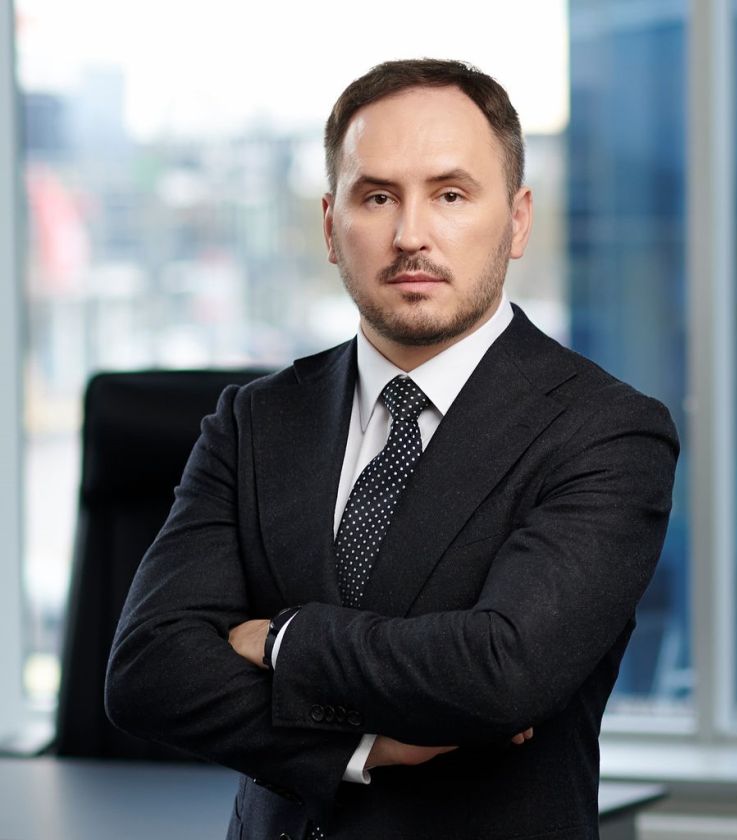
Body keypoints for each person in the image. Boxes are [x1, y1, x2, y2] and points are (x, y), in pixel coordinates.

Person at [105, 58, 679, 840]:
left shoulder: (605, 431)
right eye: (377, 197)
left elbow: (502, 672)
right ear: (330, 225)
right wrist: (361, 746)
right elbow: (147, 670)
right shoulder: (255, 420)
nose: (411, 235)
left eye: (450, 195)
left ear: (517, 220)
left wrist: (280, 639)